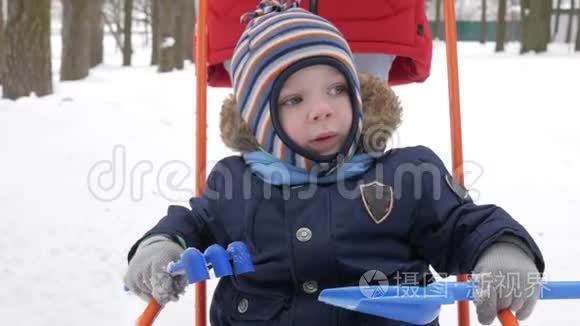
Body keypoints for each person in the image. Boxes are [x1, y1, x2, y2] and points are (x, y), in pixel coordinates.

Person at [124, 2, 544, 325]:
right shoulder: (235, 182)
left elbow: (462, 224)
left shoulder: (407, 175)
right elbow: (191, 225)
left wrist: (501, 249)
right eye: (294, 99)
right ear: (259, 119)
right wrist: (162, 246)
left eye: (336, 89)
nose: (322, 109)